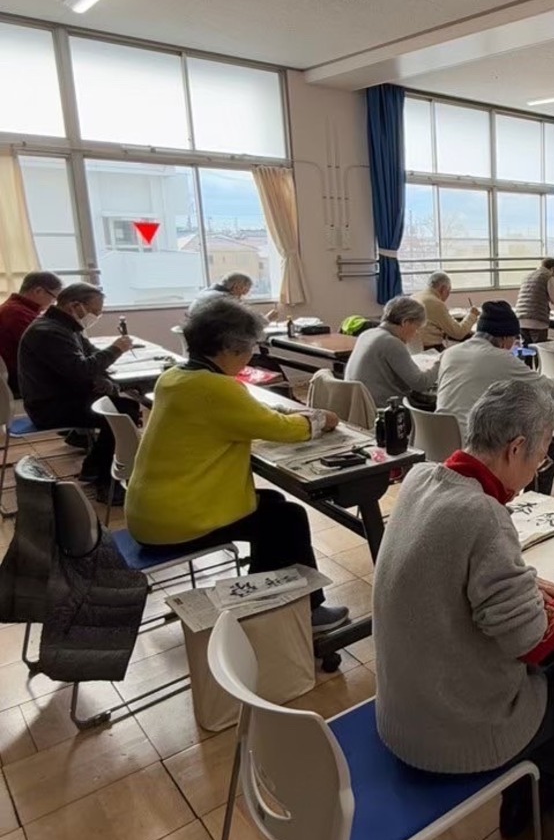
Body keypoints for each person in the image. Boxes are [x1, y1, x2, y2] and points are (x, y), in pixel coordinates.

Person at [374, 376, 554, 840]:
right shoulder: (482, 515)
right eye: (540, 457)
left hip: (402, 711)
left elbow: (451, 576)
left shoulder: (423, 478)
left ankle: (526, 802)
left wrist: (528, 585)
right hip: (450, 735)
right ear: (515, 448)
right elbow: (533, 642)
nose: (538, 470)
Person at [126, 297, 349, 640]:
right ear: (230, 348)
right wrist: (320, 419)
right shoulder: (216, 388)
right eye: (249, 349)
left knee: (273, 505)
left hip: (152, 509)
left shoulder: (174, 377)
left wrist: (286, 415)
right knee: (288, 518)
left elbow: (246, 416)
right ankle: (307, 611)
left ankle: (266, 597)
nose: (250, 356)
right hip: (178, 520)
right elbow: (281, 429)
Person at [17, 283, 138, 501]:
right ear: (75, 306)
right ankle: (106, 481)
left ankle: (94, 466)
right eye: (94, 311)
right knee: (122, 414)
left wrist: (101, 376)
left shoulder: (66, 326)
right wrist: (116, 349)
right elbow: (81, 370)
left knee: (124, 407)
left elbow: (90, 354)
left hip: (66, 395)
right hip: (49, 406)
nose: (95, 317)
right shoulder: (47, 332)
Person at [433, 301, 554, 490]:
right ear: (504, 338)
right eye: (513, 340)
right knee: (546, 450)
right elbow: (550, 390)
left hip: (436, 440)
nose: (513, 346)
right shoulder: (501, 358)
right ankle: (533, 504)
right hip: (473, 446)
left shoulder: (450, 353)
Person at [346, 296, 440, 409]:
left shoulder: (367, 334)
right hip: (384, 408)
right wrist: (442, 361)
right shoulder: (391, 342)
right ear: (406, 322)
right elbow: (420, 383)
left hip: (360, 405)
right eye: (416, 328)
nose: (416, 333)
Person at [0, 270, 61, 392]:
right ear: (38, 291)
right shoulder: (17, 314)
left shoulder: (15, 308)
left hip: (22, 374)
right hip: (22, 380)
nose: (53, 303)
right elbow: (47, 349)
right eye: (54, 298)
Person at [414, 271, 478, 350]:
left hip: (414, 348)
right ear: (443, 289)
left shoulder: (415, 296)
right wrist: (472, 315)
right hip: (430, 348)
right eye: (448, 291)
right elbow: (459, 333)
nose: (448, 295)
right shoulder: (436, 303)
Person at [515, 257, 554, 345]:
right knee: (540, 348)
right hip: (537, 321)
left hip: (521, 319)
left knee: (527, 348)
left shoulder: (528, 276)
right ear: (553, 269)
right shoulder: (548, 276)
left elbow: (534, 297)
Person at [190, 272, 254, 310]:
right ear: (236, 287)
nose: (241, 297)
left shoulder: (205, 292)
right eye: (244, 291)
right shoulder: (225, 299)